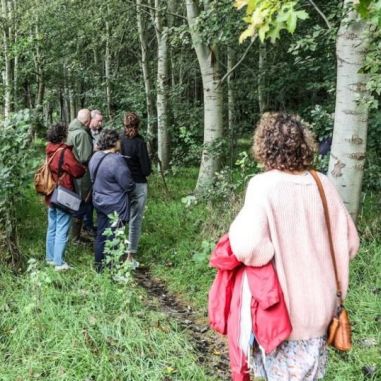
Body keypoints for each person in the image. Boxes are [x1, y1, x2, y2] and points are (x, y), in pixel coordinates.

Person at [228, 112, 360, 381]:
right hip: (323, 313)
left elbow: (247, 248)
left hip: (282, 314)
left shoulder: (262, 186)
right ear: (305, 145)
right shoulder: (323, 184)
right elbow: (350, 244)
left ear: (264, 146)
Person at [89, 129, 135, 272]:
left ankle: (99, 267)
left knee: (102, 234)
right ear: (114, 142)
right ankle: (112, 268)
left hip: (99, 201)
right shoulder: (117, 160)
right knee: (115, 236)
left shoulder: (95, 156)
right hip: (115, 206)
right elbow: (128, 184)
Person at [45, 123, 86, 271]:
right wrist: (83, 167)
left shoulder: (49, 149)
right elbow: (77, 171)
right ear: (62, 135)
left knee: (52, 226)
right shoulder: (64, 151)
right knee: (62, 226)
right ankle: (59, 263)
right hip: (63, 192)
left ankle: (50, 258)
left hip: (50, 192)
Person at [120, 112, 151, 268]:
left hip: (121, 184)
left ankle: (116, 249)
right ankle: (130, 257)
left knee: (119, 217)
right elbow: (146, 170)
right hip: (138, 184)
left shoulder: (119, 140)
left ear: (123, 124)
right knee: (135, 219)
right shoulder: (140, 143)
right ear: (138, 125)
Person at [66, 109, 93, 243]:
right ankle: (75, 238)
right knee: (81, 204)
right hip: (81, 176)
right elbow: (85, 157)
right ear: (87, 121)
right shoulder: (82, 134)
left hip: (72, 173)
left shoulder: (71, 130)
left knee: (76, 204)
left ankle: (75, 236)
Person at [83, 109, 104, 236]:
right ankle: (87, 225)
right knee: (87, 199)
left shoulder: (102, 133)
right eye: (98, 121)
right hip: (87, 171)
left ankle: (94, 224)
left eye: (102, 121)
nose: (100, 123)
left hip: (99, 171)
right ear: (91, 119)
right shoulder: (85, 133)